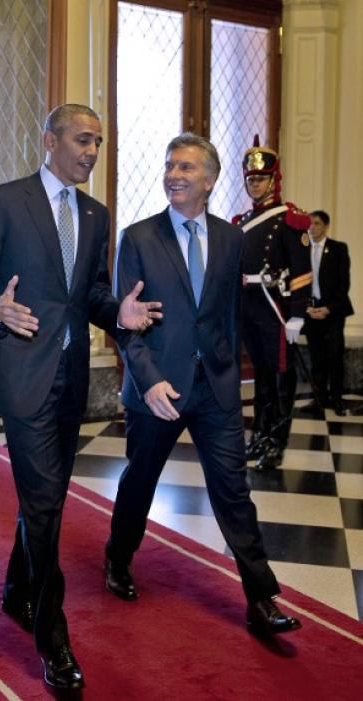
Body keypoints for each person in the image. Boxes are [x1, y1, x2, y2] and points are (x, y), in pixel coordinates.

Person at [0, 104, 160, 690]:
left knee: (43, 499)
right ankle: (54, 640)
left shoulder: (95, 215)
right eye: (82, 139)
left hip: (70, 379)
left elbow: (89, 293)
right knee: (45, 507)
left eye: (98, 142)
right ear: (50, 141)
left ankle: (18, 592)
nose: (92, 151)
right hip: (23, 376)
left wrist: (116, 309)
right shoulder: (4, 200)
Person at [105, 132, 300, 641]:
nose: (174, 174)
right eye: (170, 165)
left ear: (209, 181)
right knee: (140, 481)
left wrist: (232, 375)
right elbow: (128, 321)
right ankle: (118, 558)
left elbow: (227, 317)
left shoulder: (232, 238)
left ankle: (260, 598)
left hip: (215, 388)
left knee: (234, 492)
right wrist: (146, 381)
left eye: (187, 168)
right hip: (158, 389)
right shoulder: (139, 237)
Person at [233, 136, 312, 470]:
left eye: (261, 179)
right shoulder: (240, 222)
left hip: (275, 308)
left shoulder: (289, 220)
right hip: (249, 306)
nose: (255, 184)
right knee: (262, 378)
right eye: (250, 179)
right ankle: (260, 437)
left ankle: (276, 443)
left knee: (280, 377)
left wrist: (297, 315)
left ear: (274, 180)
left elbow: (302, 272)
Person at [305, 210, 353, 416]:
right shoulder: (302, 249)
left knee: (334, 356)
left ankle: (337, 399)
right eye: (310, 224)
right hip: (310, 310)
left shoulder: (338, 249)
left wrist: (328, 308)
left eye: (316, 224)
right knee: (316, 358)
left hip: (332, 312)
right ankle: (318, 399)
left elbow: (344, 285)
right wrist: (307, 307)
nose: (312, 228)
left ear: (326, 226)